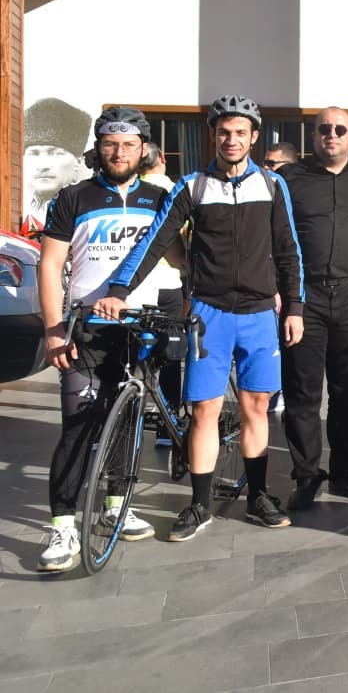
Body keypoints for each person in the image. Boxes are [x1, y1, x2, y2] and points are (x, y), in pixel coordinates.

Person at [94, 95, 305, 539]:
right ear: (213, 135)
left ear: (253, 137)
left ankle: (258, 496)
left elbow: (289, 251)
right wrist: (118, 290)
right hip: (209, 313)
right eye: (224, 132)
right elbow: (154, 241)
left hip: (259, 313)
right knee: (205, 410)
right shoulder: (192, 186)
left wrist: (296, 307)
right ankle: (199, 505)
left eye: (240, 133)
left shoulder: (272, 185)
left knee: (256, 406)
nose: (231, 140)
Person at [36, 107, 178, 570]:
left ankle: (116, 505)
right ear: (98, 148)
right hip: (88, 328)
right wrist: (54, 330)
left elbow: (181, 259)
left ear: (144, 150)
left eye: (129, 144)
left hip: (142, 324)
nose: (119, 153)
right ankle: (62, 527)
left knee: (128, 417)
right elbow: (50, 265)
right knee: (78, 425)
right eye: (111, 144)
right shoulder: (73, 197)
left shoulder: (160, 198)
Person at [277, 108, 348, 510]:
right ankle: (306, 476)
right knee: (302, 392)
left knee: (346, 392)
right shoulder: (290, 178)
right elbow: (275, 236)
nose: (332, 134)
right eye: (324, 129)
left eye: (340, 129)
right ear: (314, 136)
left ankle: (343, 472)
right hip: (304, 298)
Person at [138, 141, 187, 441]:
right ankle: (168, 428)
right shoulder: (175, 191)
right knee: (171, 354)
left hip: (135, 286)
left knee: (130, 353)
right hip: (169, 282)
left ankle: (120, 423)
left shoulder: (130, 192)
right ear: (164, 159)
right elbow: (184, 242)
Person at [22, 98, 91, 237]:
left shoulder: (91, 208)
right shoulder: (18, 208)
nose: (43, 166)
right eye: (33, 153)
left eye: (56, 154)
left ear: (78, 162)